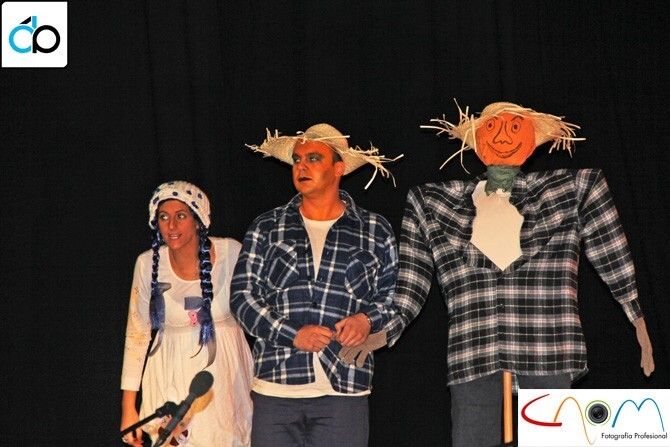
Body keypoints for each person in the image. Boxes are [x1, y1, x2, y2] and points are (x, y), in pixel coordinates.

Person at [341, 102, 655, 447]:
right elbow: (413, 280)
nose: (503, 137)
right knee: (472, 437)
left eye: (515, 127)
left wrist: (635, 316)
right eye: (491, 128)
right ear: (476, 142)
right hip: (475, 348)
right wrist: (387, 330)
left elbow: (609, 248)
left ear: (533, 140)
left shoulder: (572, 189)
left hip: (547, 344)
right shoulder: (433, 201)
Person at [230, 124, 400, 447]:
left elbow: (393, 297)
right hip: (276, 386)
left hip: (344, 388)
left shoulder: (374, 229)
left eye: (313, 158)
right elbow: (242, 298)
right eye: (297, 160)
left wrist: (367, 321)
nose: (301, 166)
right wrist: (293, 334)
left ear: (338, 169)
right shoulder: (267, 226)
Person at [120, 181, 253, 447]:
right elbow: (137, 334)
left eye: (180, 216)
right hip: (168, 373)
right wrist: (128, 407)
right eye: (163, 217)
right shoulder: (147, 264)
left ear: (198, 219)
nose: (171, 226)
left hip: (223, 378)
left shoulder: (231, 252)